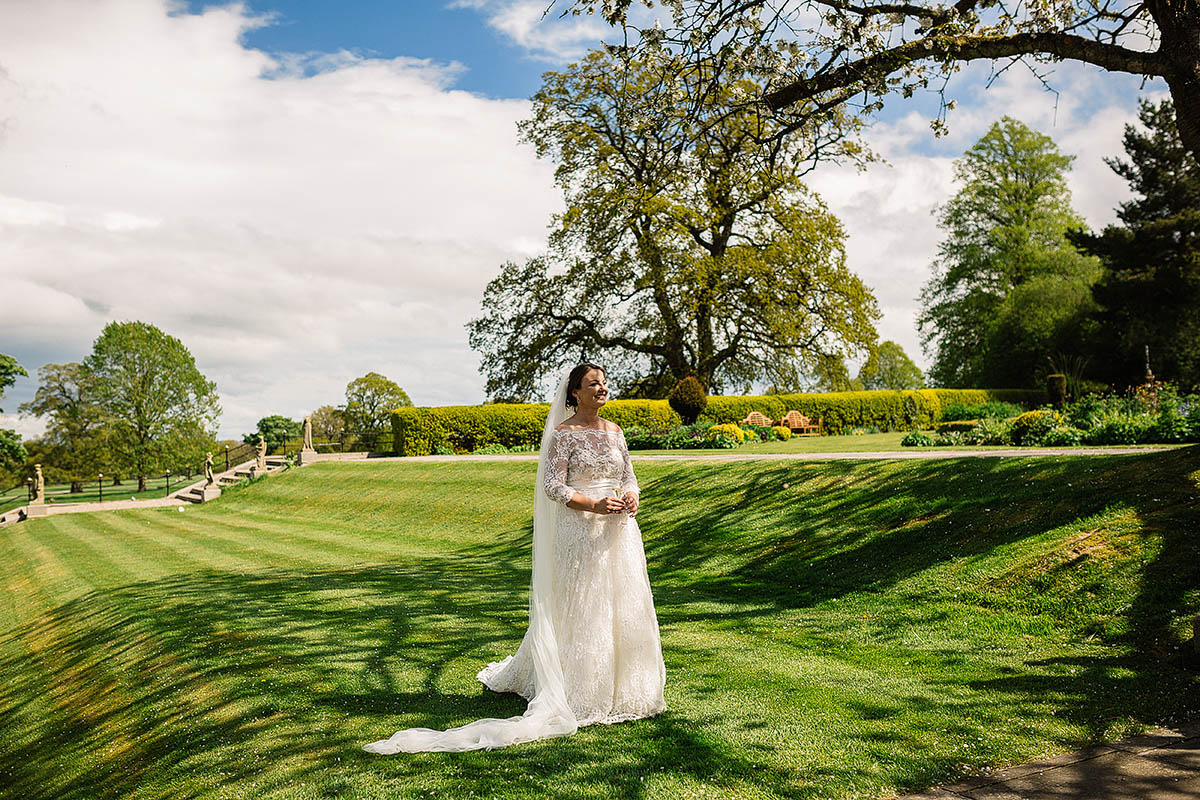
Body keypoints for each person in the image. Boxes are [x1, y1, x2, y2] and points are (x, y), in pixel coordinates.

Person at [364, 363, 666, 753]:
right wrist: (593, 503)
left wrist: (631, 496)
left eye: (605, 383)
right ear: (575, 392)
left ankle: (628, 687)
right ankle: (582, 686)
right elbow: (553, 486)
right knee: (583, 604)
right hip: (580, 531)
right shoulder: (563, 435)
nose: (602, 388)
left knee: (622, 604)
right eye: (593, 383)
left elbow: (628, 475)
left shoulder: (615, 431)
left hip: (619, 531)